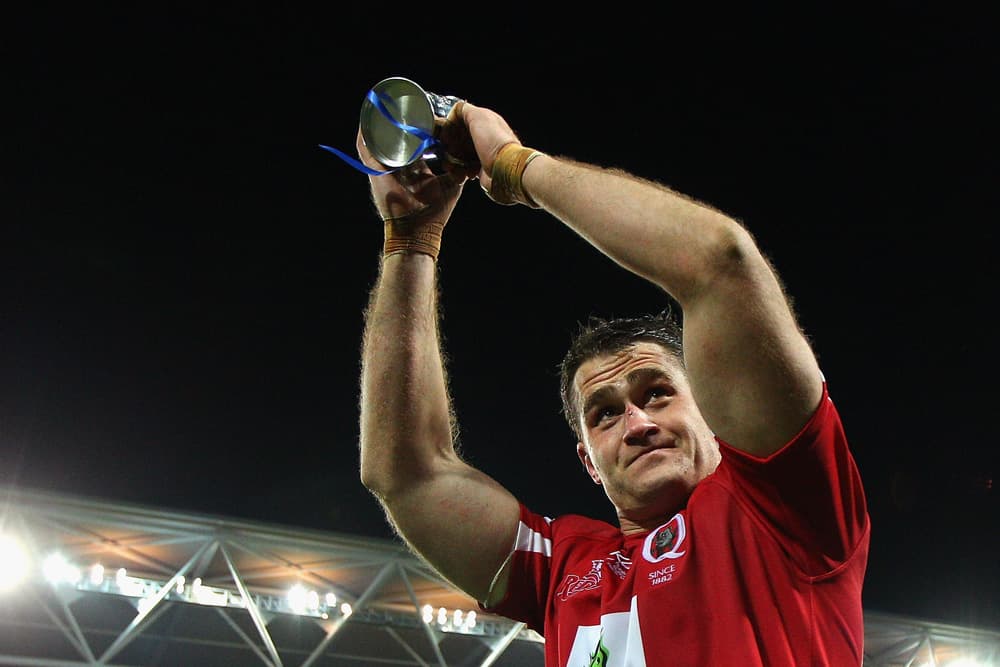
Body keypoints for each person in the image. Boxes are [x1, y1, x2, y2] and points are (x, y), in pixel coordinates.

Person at [355, 99, 870, 666]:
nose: (638, 424)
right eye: (604, 413)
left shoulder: (787, 506)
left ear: (714, 413)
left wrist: (514, 164)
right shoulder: (562, 570)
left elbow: (720, 263)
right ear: (588, 462)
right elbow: (407, 472)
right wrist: (410, 240)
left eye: (657, 392)